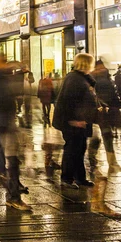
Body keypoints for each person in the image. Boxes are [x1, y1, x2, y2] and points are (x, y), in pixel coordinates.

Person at [0, 54, 31, 211]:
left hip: (7, 119)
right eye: (2, 62)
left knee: (13, 157)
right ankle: (13, 195)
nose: (4, 65)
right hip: (1, 120)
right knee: (12, 157)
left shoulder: (4, 76)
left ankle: (13, 188)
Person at [53, 53, 98, 189]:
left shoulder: (83, 78)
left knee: (80, 149)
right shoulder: (74, 79)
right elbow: (67, 101)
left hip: (81, 121)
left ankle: (80, 178)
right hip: (73, 122)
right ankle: (66, 179)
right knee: (72, 149)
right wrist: (72, 120)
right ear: (86, 63)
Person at [89, 60, 121, 174]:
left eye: (102, 67)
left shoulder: (106, 78)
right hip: (97, 111)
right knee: (97, 138)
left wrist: (116, 106)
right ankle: (93, 162)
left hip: (106, 112)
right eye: (99, 67)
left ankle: (112, 163)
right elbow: (92, 95)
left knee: (107, 136)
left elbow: (113, 94)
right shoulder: (92, 78)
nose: (101, 69)